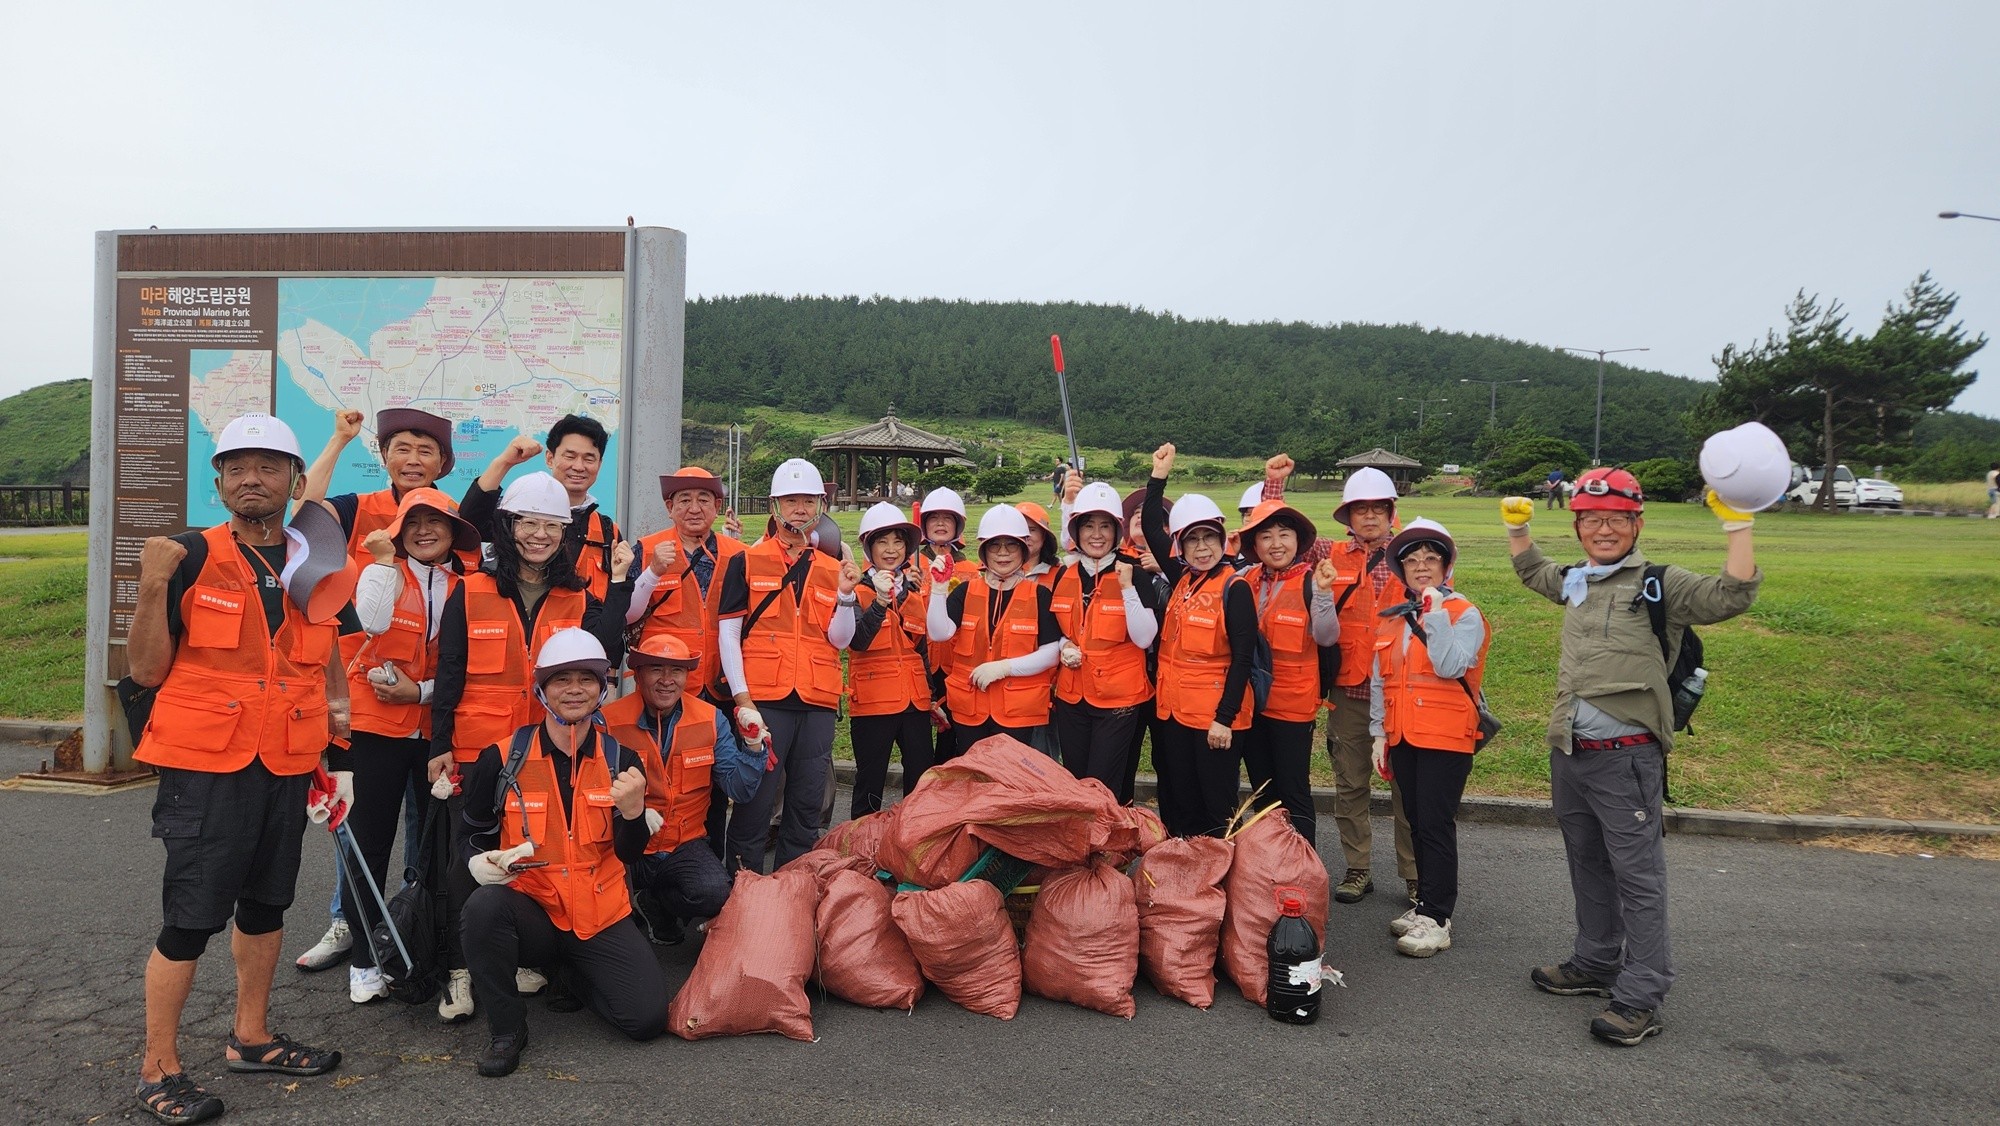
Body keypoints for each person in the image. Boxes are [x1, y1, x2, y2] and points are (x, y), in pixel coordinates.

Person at [127, 413, 345, 1124]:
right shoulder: (189, 556)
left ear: (294, 480)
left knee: (266, 905)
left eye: (269, 466)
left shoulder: (313, 560)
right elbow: (147, 670)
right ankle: (158, 1068)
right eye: (237, 467)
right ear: (218, 481)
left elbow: (321, 661)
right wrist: (151, 586)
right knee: (192, 917)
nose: (253, 479)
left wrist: (333, 746)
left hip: (287, 760)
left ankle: (250, 1037)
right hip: (205, 766)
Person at [1506, 467, 1762, 1046]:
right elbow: (1533, 572)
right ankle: (1596, 961)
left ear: (1637, 524)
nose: (1604, 529)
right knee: (1587, 862)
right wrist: (1518, 530)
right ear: (1577, 527)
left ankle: (1642, 994)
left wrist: (1738, 527)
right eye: (1591, 519)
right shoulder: (1577, 579)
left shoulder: (1660, 584)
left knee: (1638, 878)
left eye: (1616, 519)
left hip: (1626, 759)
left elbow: (1731, 595)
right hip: (1570, 751)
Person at [430, 471, 633, 997]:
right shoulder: (471, 589)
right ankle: (459, 970)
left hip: (546, 747)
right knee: (467, 857)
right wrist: (440, 745)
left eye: (552, 525)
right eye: (528, 523)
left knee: (534, 850)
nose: (539, 535)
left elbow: (605, 651)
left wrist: (620, 584)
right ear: (507, 525)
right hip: (478, 748)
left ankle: (521, 954)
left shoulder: (575, 596)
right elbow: (449, 669)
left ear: (565, 533)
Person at [458, 630, 666, 1077]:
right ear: (542, 689)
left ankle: (573, 973)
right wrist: (477, 861)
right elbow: (470, 835)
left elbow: (629, 855)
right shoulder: (502, 759)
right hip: (533, 912)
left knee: (646, 1020)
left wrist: (633, 815)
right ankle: (507, 1029)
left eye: (586, 679)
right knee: (483, 908)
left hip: (599, 915)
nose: (575, 689)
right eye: (561, 680)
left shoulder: (623, 759)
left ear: (602, 688)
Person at [295, 406, 458, 974]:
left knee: (424, 829)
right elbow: (303, 512)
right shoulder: (358, 509)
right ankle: (350, 922)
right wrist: (339, 439)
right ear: (383, 456)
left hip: (430, 711)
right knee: (363, 827)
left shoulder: (452, 517)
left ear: (444, 461)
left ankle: (412, 924)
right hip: (366, 704)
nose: (413, 460)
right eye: (401, 449)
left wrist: (427, 692)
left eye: (426, 450)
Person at [334, 487, 481, 1018]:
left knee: (437, 850)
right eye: (412, 522)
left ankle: (428, 951)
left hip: (436, 734)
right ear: (397, 531)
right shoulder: (378, 573)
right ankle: (365, 959)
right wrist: (380, 564)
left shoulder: (467, 587)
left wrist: (419, 693)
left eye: (435, 522)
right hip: (375, 731)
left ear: (454, 532)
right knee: (368, 845)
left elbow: (462, 668)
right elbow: (370, 624)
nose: (424, 531)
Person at [716, 458, 859, 871]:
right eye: (791, 500)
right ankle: (742, 886)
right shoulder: (747, 561)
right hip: (765, 699)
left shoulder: (833, 568)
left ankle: (793, 889)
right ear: (774, 505)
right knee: (756, 800)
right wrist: (742, 698)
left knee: (806, 802)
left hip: (817, 700)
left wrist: (846, 596)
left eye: (808, 501)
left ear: (821, 506)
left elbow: (841, 640)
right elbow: (729, 634)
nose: (800, 509)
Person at [1367, 518, 1490, 959]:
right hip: (1404, 735)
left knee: (1436, 824)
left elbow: (1451, 665)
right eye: (1413, 560)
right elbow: (1380, 680)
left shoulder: (1463, 613)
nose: (1421, 566)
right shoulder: (1396, 617)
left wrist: (1435, 614)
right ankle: (1425, 904)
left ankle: (1438, 917)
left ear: (1445, 566)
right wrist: (1378, 733)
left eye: (1431, 559)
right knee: (1416, 821)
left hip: (1445, 737)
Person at [601, 634, 768, 945]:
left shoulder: (710, 719)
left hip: (684, 844)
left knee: (714, 893)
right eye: (656, 669)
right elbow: (588, 789)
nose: (667, 680)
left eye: (676, 671)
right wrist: (629, 813)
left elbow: (739, 789)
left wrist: (753, 745)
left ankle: (654, 903)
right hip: (626, 842)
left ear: (687, 676)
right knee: (603, 901)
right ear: (638, 673)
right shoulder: (608, 722)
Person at [1141, 444, 1258, 838]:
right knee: (1180, 796)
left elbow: (1243, 659)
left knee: (1216, 804)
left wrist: (1224, 719)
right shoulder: (1183, 580)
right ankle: (1185, 866)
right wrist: (1158, 477)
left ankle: (1221, 869)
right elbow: (1152, 528)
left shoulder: (1234, 588)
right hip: (1174, 715)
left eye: (1210, 537)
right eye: (1193, 540)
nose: (1203, 547)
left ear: (1223, 540)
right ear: (1181, 546)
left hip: (1213, 719)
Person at [1319, 467, 1420, 905]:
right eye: (1361, 509)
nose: (1371, 516)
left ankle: (1415, 874)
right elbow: (1279, 533)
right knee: (1350, 782)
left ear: (1392, 512)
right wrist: (1274, 481)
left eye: (1379, 508)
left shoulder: (1414, 553)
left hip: (1400, 688)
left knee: (1408, 787)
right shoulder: (1329, 553)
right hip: (1350, 688)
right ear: (1348, 516)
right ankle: (1357, 868)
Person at [1234, 499, 1342, 843]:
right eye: (1266, 536)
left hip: (1293, 707)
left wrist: (1323, 595)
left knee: (1293, 790)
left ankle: (1302, 863)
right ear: (1255, 545)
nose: (1276, 544)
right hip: (1253, 704)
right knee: (1262, 789)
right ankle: (1268, 859)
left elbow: (1327, 637)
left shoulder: (1311, 582)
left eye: (1284, 534)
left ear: (1298, 541)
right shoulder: (1245, 579)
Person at [1048, 482, 1159, 793]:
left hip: (1118, 699)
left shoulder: (1134, 572)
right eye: (1088, 526)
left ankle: (1108, 826)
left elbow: (1144, 638)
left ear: (1117, 531)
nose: (1096, 534)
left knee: (1103, 782)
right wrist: (1064, 645)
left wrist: (1128, 589)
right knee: (1076, 778)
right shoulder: (1064, 575)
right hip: (1072, 695)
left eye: (1105, 526)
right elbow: (1057, 630)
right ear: (1077, 530)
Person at [927, 505, 1065, 747]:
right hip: (970, 709)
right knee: (973, 768)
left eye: (1011, 545)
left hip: (1016, 711)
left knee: (1010, 770)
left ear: (1023, 550)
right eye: (994, 546)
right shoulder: (966, 591)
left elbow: (1051, 653)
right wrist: (938, 590)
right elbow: (939, 633)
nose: (1003, 553)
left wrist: (1005, 668)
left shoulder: (1039, 595)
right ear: (984, 551)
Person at [459, 415, 626, 600]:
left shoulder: (607, 532)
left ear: (599, 464)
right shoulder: (515, 513)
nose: (579, 466)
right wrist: (504, 462)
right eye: (570, 456)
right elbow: (469, 525)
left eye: (589, 459)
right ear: (549, 458)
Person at [627, 466, 748, 707]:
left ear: (717, 506)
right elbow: (627, 613)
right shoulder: (645, 550)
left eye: (703, 500)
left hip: (722, 681)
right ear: (669, 508)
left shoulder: (741, 554)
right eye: (684, 500)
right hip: (664, 682)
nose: (694, 509)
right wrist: (653, 571)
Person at [845, 502, 936, 816]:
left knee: (921, 780)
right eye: (882, 541)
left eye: (898, 541)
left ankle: (914, 838)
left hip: (915, 702)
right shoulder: (855, 590)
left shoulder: (913, 590)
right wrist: (880, 602)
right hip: (873, 702)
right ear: (868, 547)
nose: (891, 549)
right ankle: (861, 841)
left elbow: (920, 649)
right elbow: (857, 641)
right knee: (870, 782)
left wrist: (931, 696)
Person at [916, 486, 980, 763]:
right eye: (934, 518)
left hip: (957, 663)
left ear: (958, 525)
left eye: (947, 518)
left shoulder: (973, 571)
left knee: (953, 731)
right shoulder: (910, 563)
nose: (940, 523)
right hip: (920, 662)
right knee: (918, 736)